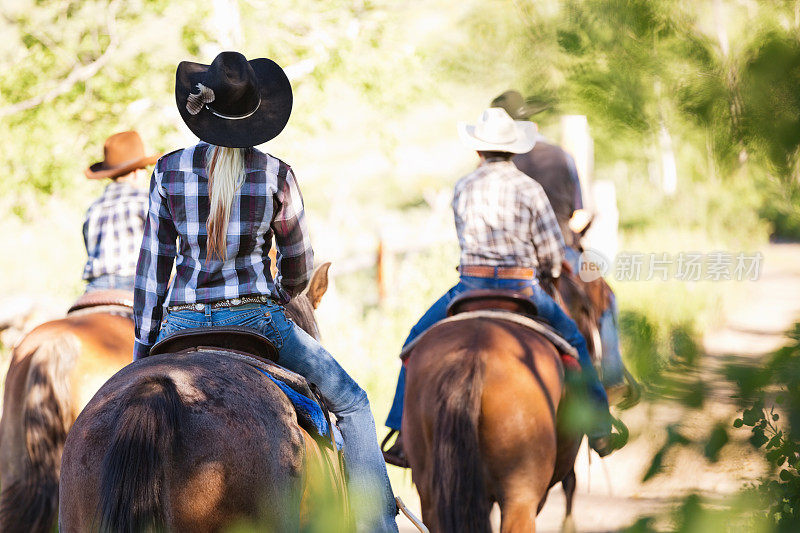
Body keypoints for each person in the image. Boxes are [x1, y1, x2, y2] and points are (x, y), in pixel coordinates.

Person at [132, 52, 398, 532]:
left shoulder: (166, 172)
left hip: (179, 325)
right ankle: (378, 524)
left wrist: (142, 345)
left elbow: (153, 271)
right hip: (258, 320)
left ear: (201, 110)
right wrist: (277, 292)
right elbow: (299, 267)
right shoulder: (278, 175)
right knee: (354, 403)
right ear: (256, 115)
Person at [382, 108, 620, 468]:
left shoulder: (463, 186)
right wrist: (548, 265)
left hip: (469, 285)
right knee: (573, 340)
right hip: (520, 287)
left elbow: (463, 236)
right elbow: (553, 256)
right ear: (513, 150)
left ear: (479, 150)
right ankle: (600, 426)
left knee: (414, 342)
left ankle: (400, 433)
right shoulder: (529, 188)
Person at [492, 90, 635, 399]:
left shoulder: (497, 161)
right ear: (532, 124)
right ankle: (612, 377)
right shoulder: (560, 156)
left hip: (502, 261)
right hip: (558, 248)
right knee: (607, 300)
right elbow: (579, 213)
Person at [82, 131, 156, 292]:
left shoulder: (93, 208)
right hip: (134, 282)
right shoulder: (146, 200)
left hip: (95, 287)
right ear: (137, 172)